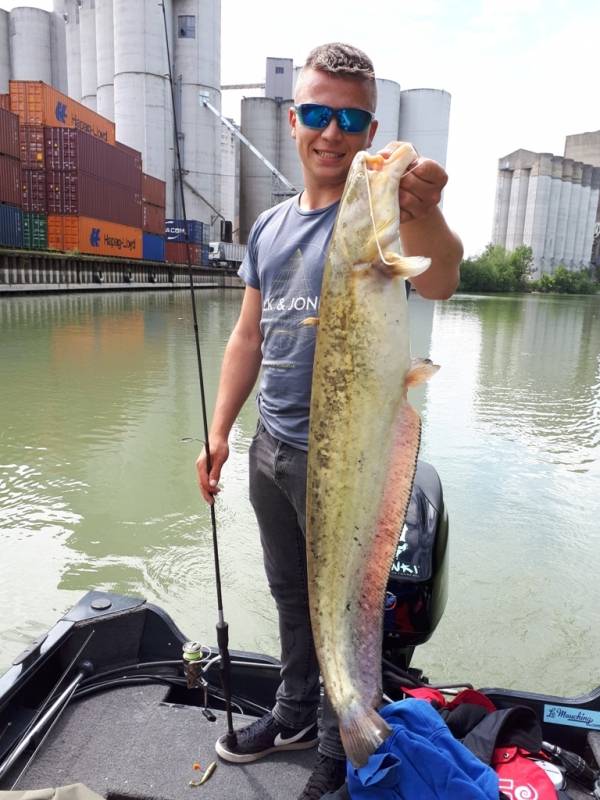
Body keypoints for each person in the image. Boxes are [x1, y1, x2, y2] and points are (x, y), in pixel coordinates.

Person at [196, 42, 463, 800]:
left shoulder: (380, 225)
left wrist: (427, 209)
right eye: (317, 113)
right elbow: (249, 336)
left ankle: (334, 744)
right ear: (293, 119)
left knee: (342, 605)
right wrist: (219, 432)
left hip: (343, 463)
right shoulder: (269, 228)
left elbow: (440, 275)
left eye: (351, 118)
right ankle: (288, 711)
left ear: (369, 130)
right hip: (270, 449)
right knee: (292, 598)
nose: (331, 132)